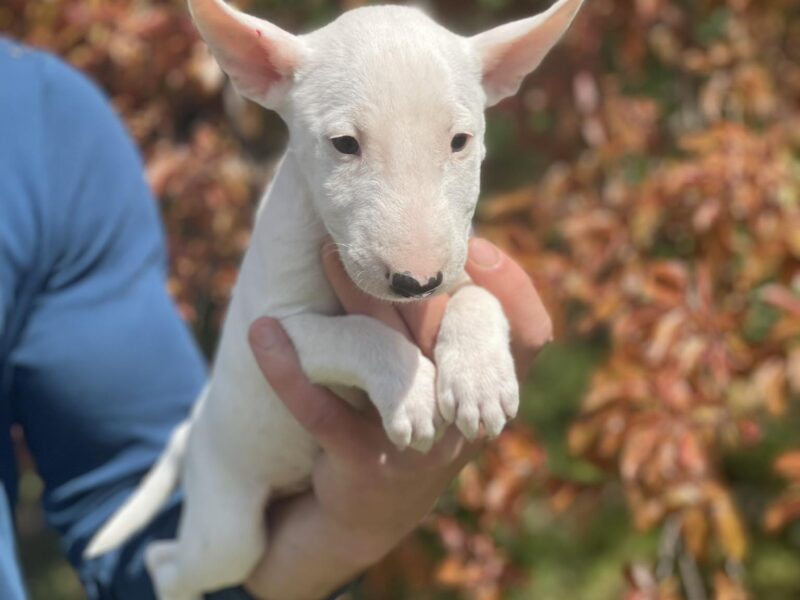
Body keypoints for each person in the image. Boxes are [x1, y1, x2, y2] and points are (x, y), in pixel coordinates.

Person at [0, 39, 552, 600]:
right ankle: (179, 568)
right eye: (344, 144)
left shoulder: (48, 125)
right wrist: (384, 362)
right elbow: (286, 334)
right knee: (223, 549)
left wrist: (339, 539)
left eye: (459, 142)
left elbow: (120, 483)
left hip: (253, 483)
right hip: (242, 470)